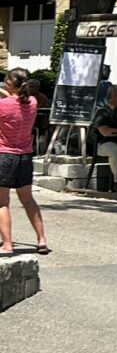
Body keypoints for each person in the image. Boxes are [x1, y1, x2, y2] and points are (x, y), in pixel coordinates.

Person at [0, 68, 49, 255]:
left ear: (8, 84)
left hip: (4, 155)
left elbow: (7, 101)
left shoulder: (3, 105)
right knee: (28, 200)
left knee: (2, 203)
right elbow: (18, 98)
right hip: (25, 156)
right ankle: (42, 240)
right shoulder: (33, 102)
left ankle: (7, 244)